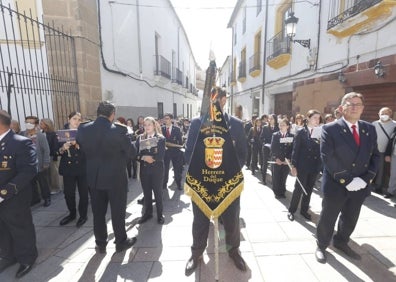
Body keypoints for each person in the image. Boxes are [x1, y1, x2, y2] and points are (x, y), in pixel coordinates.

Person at [184, 88, 248, 276]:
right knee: (200, 221)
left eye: (216, 99)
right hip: (203, 182)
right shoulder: (197, 123)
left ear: (224, 100)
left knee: (232, 221)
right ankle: (196, 254)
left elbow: (242, 154)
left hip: (228, 184)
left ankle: (234, 251)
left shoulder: (235, 124)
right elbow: (189, 154)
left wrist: (229, 174)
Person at [315, 92, 380, 264]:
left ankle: (341, 241)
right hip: (337, 184)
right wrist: (347, 180)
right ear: (341, 108)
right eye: (349, 103)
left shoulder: (369, 128)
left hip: (359, 185)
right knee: (328, 216)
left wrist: (366, 179)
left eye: (357, 104)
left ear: (363, 108)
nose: (354, 106)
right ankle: (321, 245)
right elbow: (327, 157)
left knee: (351, 217)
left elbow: (375, 155)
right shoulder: (330, 129)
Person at [76, 101, 137, 253]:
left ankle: (100, 243)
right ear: (112, 115)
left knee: (98, 213)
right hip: (116, 179)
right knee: (118, 212)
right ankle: (121, 241)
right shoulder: (120, 130)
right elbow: (132, 152)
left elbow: (82, 148)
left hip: (94, 178)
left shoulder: (83, 128)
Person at [0, 110, 38, 278]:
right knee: (2, 229)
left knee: (20, 228)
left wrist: (4, 193)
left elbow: (28, 171)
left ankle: (27, 257)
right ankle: (8, 255)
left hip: (14, 197)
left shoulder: (21, 142)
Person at [287, 110, 322, 221]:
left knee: (309, 189)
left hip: (314, 166)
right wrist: (293, 166)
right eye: (315, 118)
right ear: (308, 118)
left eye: (318, 118)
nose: (317, 120)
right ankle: (291, 210)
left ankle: (304, 210)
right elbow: (295, 150)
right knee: (298, 189)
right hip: (302, 166)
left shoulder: (320, 132)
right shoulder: (301, 131)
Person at [58, 112, 89, 227]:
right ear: (69, 119)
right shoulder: (62, 133)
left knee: (84, 194)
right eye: (74, 119)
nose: (77, 121)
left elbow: (90, 150)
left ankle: (83, 215)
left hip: (82, 168)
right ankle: (72, 214)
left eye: (79, 119)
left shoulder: (84, 133)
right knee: (68, 193)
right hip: (68, 169)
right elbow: (55, 151)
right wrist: (62, 148)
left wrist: (78, 145)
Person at [136, 117, 166, 224]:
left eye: (149, 124)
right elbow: (136, 154)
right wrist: (144, 158)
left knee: (158, 193)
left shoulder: (160, 138)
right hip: (144, 171)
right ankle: (147, 214)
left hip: (157, 170)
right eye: (145, 125)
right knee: (147, 193)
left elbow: (161, 155)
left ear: (154, 125)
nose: (147, 127)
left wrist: (151, 159)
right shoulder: (140, 138)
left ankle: (160, 214)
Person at [22, 116, 51, 207]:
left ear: (36, 124)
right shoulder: (23, 134)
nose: (28, 125)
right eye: (27, 122)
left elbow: (46, 150)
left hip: (39, 164)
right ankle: (35, 199)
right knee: (31, 183)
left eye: (31, 123)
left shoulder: (40, 136)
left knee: (43, 183)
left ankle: (47, 198)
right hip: (28, 165)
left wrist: (46, 162)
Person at [372, 107, 396, 196]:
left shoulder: (394, 124)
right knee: (370, 168)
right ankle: (367, 185)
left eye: (386, 113)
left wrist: (388, 153)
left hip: (385, 152)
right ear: (378, 114)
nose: (384, 115)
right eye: (382, 113)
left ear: (390, 114)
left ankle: (379, 186)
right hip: (373, 150)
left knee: (382, 170)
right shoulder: (374, 123)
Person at [270, 117, 294, 198]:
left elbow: (292, 149)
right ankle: (276, 192)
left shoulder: (291, 136)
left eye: (283, 125)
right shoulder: (275, 135)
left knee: (284, 177)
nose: (281, 126)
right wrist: (276, 158)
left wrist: (289, 159)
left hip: (286, 161)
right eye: (280, 125)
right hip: (277, 160)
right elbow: (273, 148)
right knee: (276, 176)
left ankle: (282, 191)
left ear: (287, 126)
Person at [162, 113, 184, 190]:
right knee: (165, 169)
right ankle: (164, 184)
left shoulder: (177, 129)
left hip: (175, 152)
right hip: (165, 153)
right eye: (165, 118)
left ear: (171, 119)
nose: (166, 120)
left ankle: (178, 184)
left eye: (167, 118)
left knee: (177, 169)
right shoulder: (162, 129)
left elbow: (180, 142)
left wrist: (180, 151)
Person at [40, 118, 61, 194]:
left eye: (41, 124)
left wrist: (54, 156)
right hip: (44, 156)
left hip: (52, 156)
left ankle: (56, 188)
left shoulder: (53, 134)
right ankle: (49, 188)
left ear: (46, 125)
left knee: (53, 173)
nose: (40, 125)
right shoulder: (41, 133)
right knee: (46, 174)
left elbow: (55, 146)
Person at [260, 114, 279, 185]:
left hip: (274, 149)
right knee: (265, 164)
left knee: (273, 165)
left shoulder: (277, 128)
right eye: (269, 118)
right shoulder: (265, 127)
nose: (270, 120)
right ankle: (263, 179)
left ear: (275, 120)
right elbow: (261, 138)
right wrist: (265, 144)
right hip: (266, 148)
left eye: (272, 119)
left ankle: (273, 180)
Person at [385, 127, 396, 197]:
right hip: (395, 155)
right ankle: (390, 191)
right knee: (393, 174)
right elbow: (391, 141)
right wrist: (388, 154)